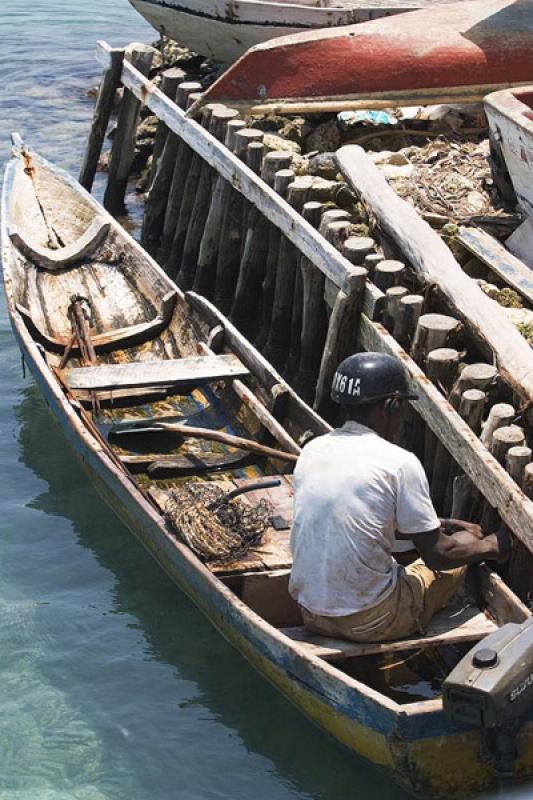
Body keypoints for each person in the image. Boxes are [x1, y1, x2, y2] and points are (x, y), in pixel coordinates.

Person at [289, 352, 509, 643]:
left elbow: (367, 512)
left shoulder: (312, 450)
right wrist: (491, 545)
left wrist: (445, 521)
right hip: (374, 622)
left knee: (408, 548)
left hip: (311, 613)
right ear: (391, 405)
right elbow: (439, 556)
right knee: (463, 548)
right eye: (403, 407)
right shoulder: (399, 463)